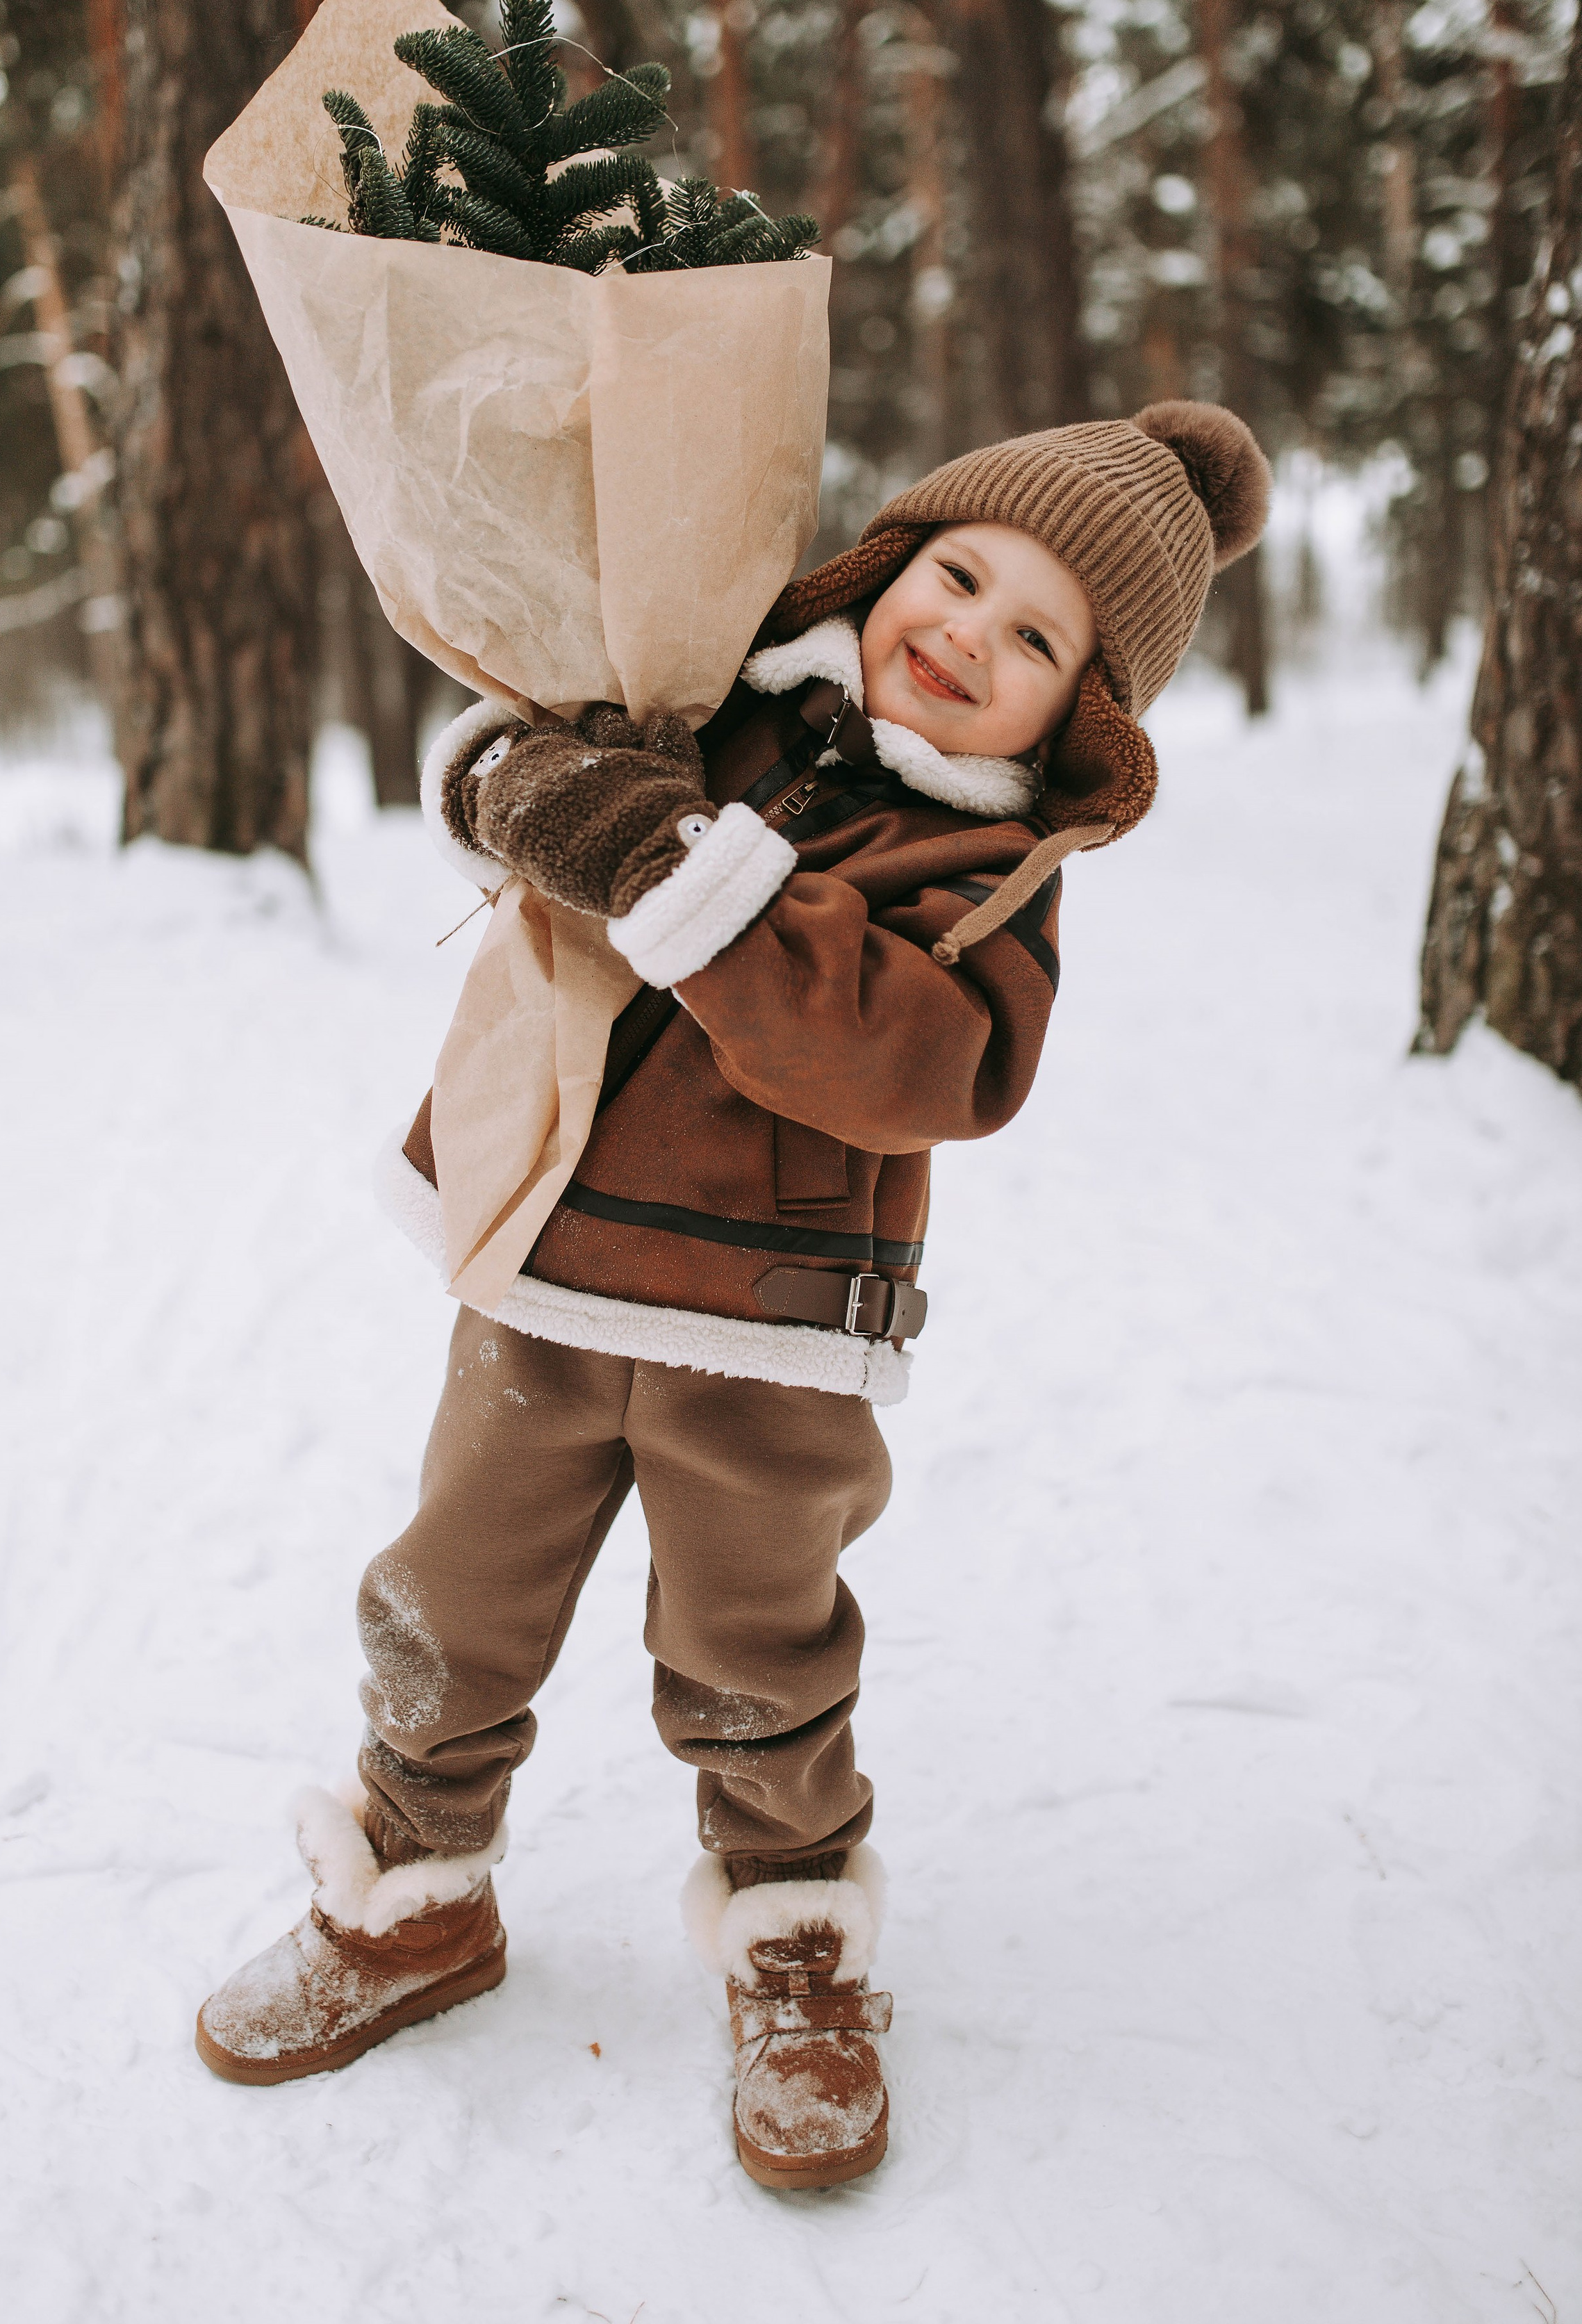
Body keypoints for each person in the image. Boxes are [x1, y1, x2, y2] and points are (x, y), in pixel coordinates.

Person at [193, 400, 1271, 2191]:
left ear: (1076, 715)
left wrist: (673, 870)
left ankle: (795, 1946)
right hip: (543, 1268)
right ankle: (413, 1898)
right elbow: (540, 783)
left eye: (1031, 642)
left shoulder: (986, 877)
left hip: (768, 1333)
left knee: (756, 1651)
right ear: (891, 561)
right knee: (449, 1600)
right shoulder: (725, 699)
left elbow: (909, 1059)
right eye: (961, 573)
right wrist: (520, 788)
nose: (966, 635)